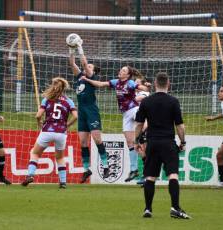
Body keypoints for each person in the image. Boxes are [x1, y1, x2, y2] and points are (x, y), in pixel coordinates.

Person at [134, 72, 191, 219]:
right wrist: (183, 142)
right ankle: (175, 208)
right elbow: (180, 126)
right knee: (173, 174)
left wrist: (136, 141)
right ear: (168, 83)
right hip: (168, 142)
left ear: (154, 83)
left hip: (152, 143)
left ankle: (147, 209)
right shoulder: (173, 101)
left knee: (150, 177)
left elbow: (139, 124)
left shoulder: (146, 101)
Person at [80, 66, 150, 182]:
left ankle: (145, 131)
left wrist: (145, 87)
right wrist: (87, 80)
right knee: (130, 142)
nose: (120, 71)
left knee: (141, 128)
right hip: (125, 114)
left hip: (134, 110)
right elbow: (100, 84)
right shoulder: (115, 82)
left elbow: (141, 88)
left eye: (123, 71)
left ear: (127, 75)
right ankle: (134, 170)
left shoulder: (130, 83)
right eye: (121, 69)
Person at [22, 77, 78, 188]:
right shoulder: (69, 101)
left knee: (35, 153)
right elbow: (76, 116)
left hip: (47, 130)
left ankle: (30, 175)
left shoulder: (47, 99)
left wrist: (40, 123)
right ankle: (63, 182)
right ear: (64, 88)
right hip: (61, 133)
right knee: (60, 158)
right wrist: (67, 125)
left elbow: (38, 115)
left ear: (53, 86)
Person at [68, 40, 109, 183]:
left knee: (97, 139)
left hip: (91, 111)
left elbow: (84, 64)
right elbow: (73, 64)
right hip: (82, 112)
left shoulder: (91, 77)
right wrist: (71, 49)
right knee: (83, 142)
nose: (86, 67)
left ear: (93, 71)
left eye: (90, 66)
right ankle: (87, 170)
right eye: (87, 66)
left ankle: (105, 164)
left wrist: (80, 47)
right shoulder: (80, 77)